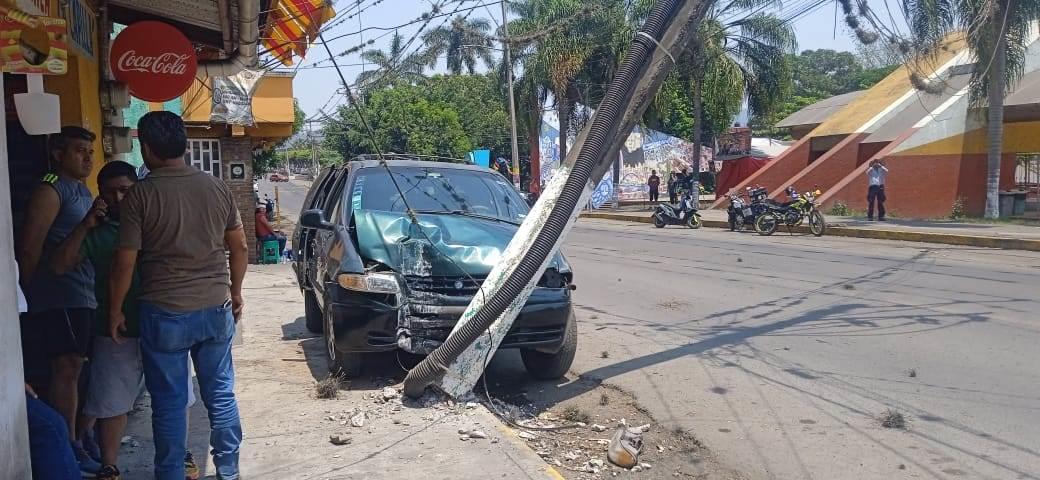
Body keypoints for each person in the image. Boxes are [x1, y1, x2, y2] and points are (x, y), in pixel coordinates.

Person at [110, 111, 248, 480]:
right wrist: (234, 292)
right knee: (220, 395)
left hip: (165, 312)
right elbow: (240, 247)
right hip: (215, 308)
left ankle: (170, 473)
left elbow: (125, 263)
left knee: (170, 405)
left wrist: (115, 310)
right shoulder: (217, 187)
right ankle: (229, 471)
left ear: (147, 147)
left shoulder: (140, 196)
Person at [50, 161, 201, 480]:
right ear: (100, 195)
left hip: (165, 325)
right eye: (110, 192)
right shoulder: (100, 233)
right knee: (111, 402)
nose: (119, 199)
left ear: (139, 190)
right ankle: (110, 464)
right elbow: (59, 266)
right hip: (116, 329)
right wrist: (86, 224)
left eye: (125, 191)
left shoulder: (157, 224)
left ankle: (181, 453)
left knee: (174, 398)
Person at [16, 126, 102, 476]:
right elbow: (30, 246)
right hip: (59, 295)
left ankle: (80, 437)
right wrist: (26, 293)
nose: (87, 158)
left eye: (90, 152)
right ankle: (68, 444)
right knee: (65, 369)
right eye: (79, 151)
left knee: (79, 368)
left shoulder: (81, 189)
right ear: (58, 154)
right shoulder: (50, 190)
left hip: (83, 293)